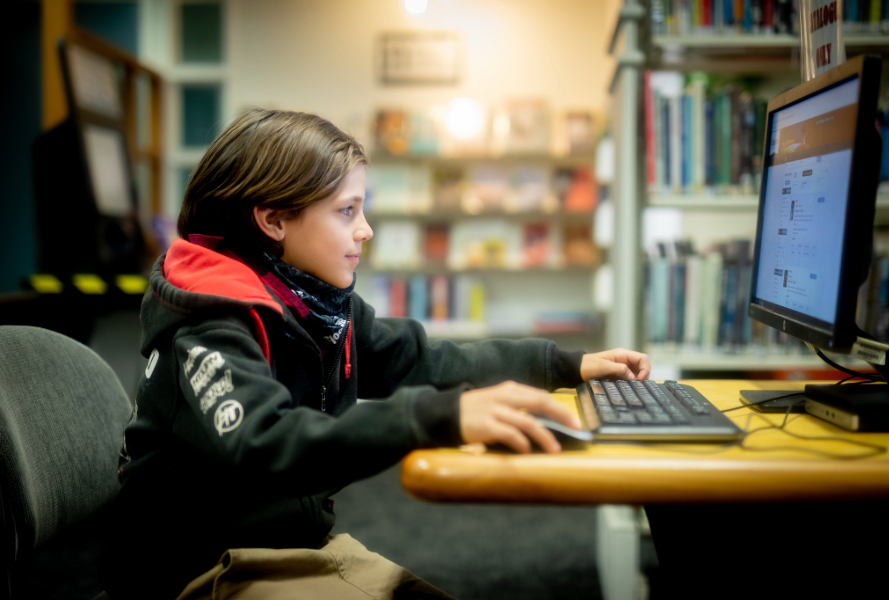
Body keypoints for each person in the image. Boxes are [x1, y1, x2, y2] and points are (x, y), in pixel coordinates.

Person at [100, 108, 650, 600]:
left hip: (285, 544)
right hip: (192, 570)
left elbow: (422, 363)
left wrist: (560, 365)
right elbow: (264, 442)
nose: (365, 230)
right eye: (346, 211)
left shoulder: (314, 303)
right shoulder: (210, 320)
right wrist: (435, 418)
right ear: (272, 220)